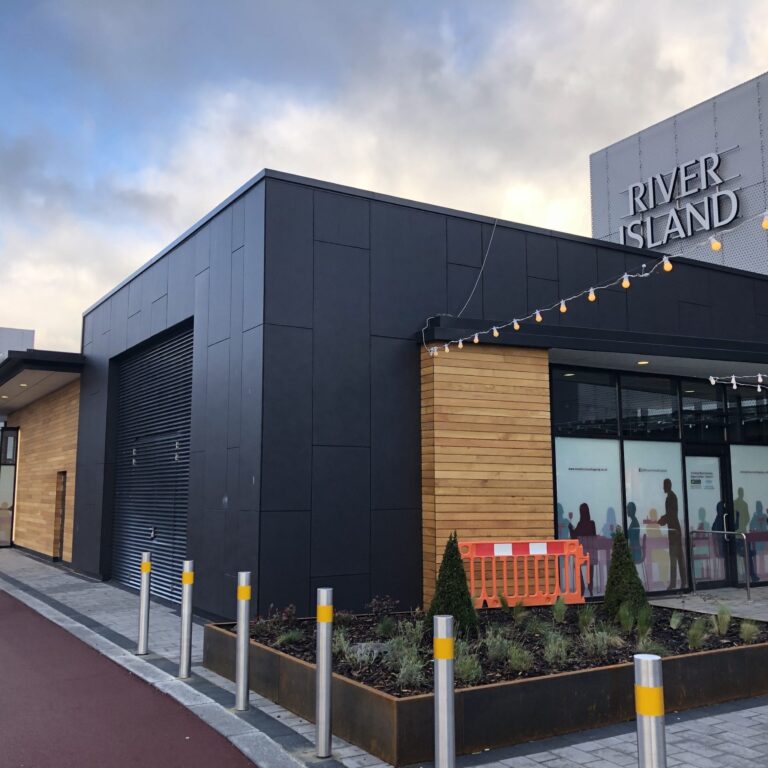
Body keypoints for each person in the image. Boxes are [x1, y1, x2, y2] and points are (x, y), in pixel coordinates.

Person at [658, 478, 686, 590]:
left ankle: (676, 583)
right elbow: (671, 514)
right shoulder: (671, 497)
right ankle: (682, 582)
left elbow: (671, 515)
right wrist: (663, 520)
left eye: (664, 485)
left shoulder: (671, 497)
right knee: (678, 557)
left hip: (674, 532)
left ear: (668, 486)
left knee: (675, 557)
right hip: (674, 531)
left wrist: (662, 520)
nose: (663, 488)